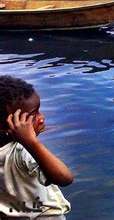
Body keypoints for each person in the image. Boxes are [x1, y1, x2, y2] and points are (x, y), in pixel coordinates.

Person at [0, 75, 73, 218]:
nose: (42, 117)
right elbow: (65, 178)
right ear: (11, 123)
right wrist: (31, 143)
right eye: (34, 114)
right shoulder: (22, 151)